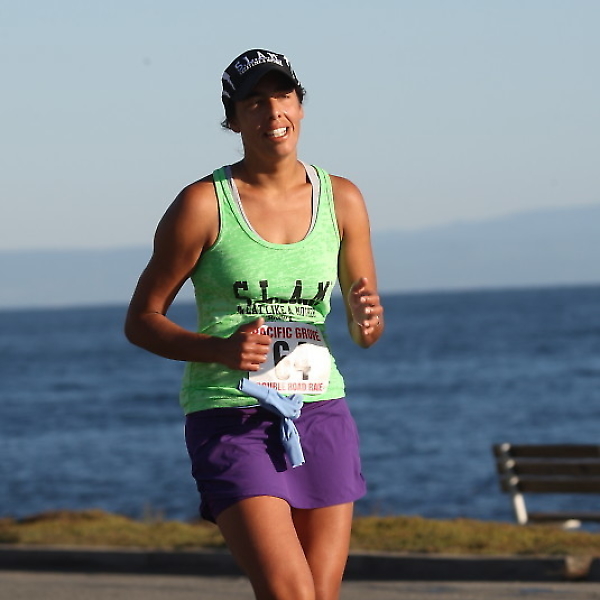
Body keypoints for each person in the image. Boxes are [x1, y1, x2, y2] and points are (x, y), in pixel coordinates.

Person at [125, 48, 384, 600]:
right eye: (254, 102)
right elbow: (141, 320)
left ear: (301, 105)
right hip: (232, 414)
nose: (273, 112)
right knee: (291, 593)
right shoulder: (203, 204)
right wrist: (219, 350)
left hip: (321, 411)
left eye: (283, 96)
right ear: (234, 120)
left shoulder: (343, 199)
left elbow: (364, 330)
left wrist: (368, 320)